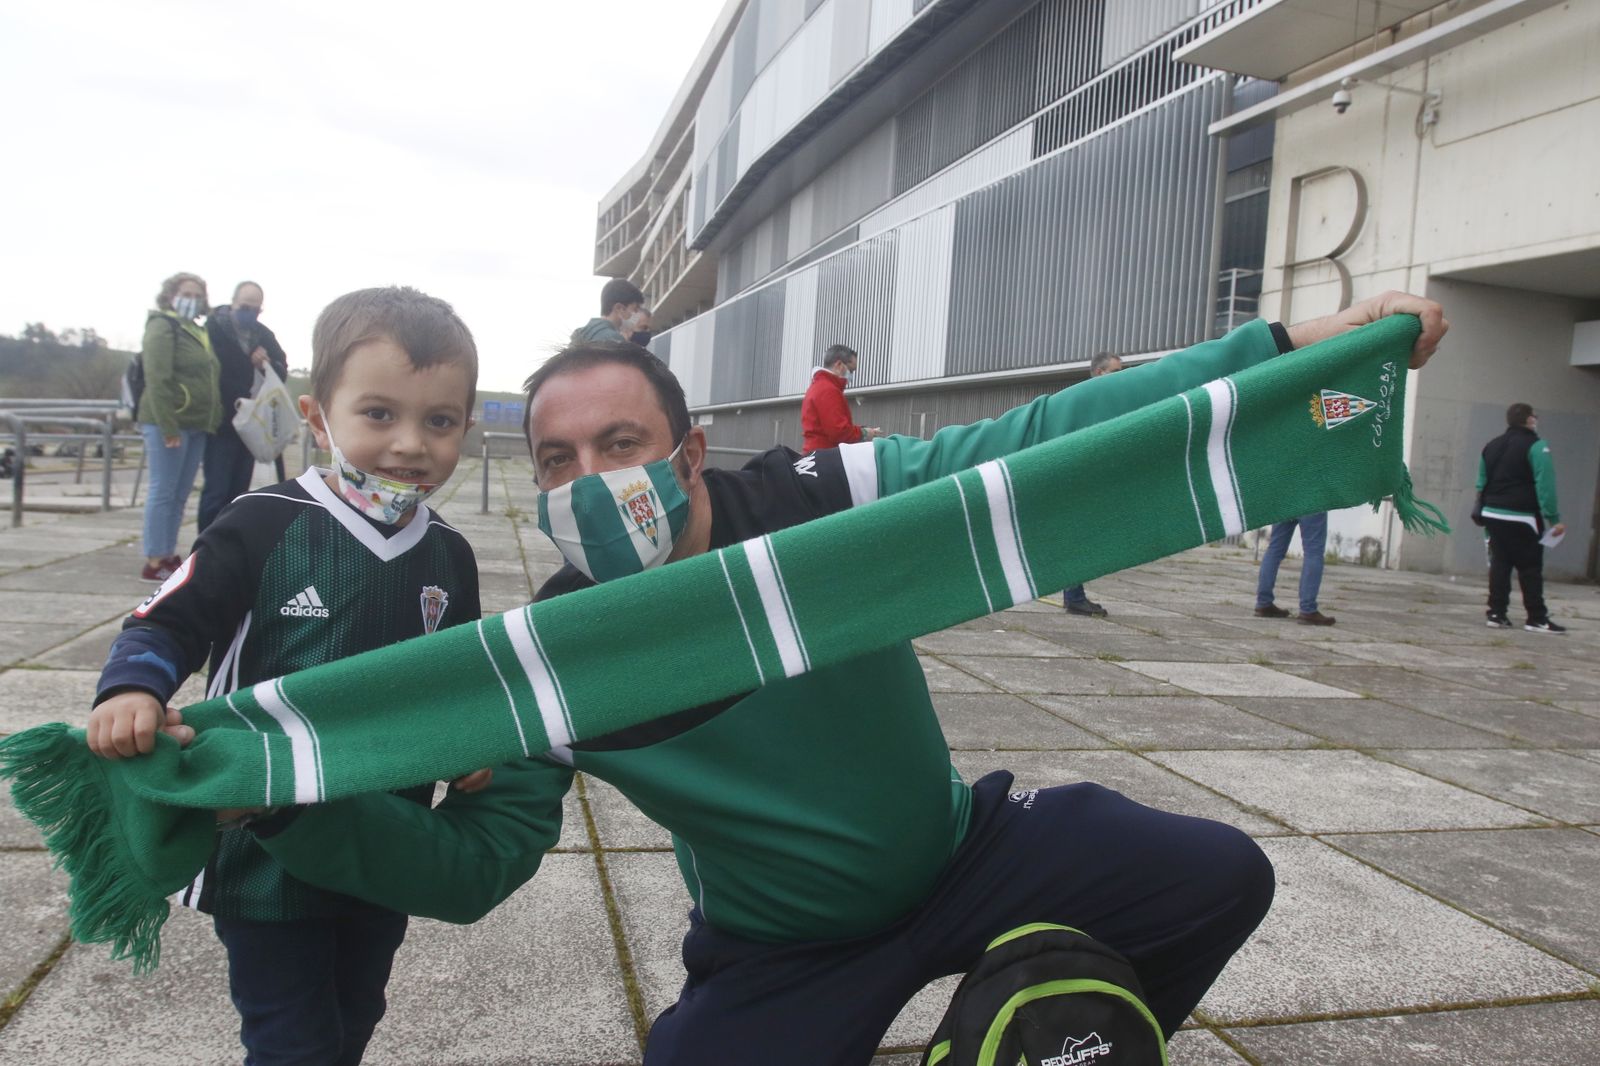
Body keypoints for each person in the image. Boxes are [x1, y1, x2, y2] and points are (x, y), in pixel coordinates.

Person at [232, 292, 1446, 1064]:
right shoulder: (564, 656)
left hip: (965, 860)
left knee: (1216, 875)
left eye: (621, 445)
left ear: (690, 450)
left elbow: (1040, 443)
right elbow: (472, 865)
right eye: (557, 460)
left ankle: (1033, 1050)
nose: (589, 480)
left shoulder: (815, 510)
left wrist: (1281, 351)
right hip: (783, 949)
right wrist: (291, 804)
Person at [86, 286, 491, 1066]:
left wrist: (472, 743)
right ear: (316, 416)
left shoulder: (451, 555)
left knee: (353, 1018)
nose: (410, 443)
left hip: (385, 847)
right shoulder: (260, 524)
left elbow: (460, 676)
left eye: (438, 421)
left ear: (466, 428)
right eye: (379, 414)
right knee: (291, 1040)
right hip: (263, 848)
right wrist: (133, 688)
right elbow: (164, 620)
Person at [137, 272, 222, 582]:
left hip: (196, 423)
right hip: (169, 422)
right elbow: (157, 379)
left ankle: (168, 553)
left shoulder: (195, 330)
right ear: (171, 295)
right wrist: (168, 425)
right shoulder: (162, 326)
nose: (193, 299)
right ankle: (154, 558)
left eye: (198, 294)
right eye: (186, 293)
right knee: (163, 490)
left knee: (179, 493)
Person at [199, 281, 290, 533]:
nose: (250, 313)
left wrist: (266, 363)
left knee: (239, 492)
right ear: (233, 303)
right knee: (215, 491)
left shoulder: (264, 335)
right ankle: (204, 547)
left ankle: (227, 543)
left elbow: (281, 372)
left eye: (256, 309)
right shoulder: (212, 330)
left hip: (252, 427)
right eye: (244, 307)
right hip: (221, 423)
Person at [1478, 402, 1566, 633]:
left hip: (1492, 513)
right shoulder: (1537, 446)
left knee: (1500, 563)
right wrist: (1553, 518)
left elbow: (1481, 480)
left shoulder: (1491, 445)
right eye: (1534, 416)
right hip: (1522, 516)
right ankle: (1537, 618)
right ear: (1529, 420)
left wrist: (1483, 508)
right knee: (1530, 566)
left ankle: (1496, 614)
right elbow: (1545, 485)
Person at [1062, 352, 1123, 616]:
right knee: (1077, 539)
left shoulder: (1096, 398)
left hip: (1086, 478)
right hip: (1080, 479)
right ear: (1101, 373)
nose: (1123, 376)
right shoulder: (1090, 399)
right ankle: (1074, 596)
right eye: (1117, 371)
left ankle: (1074, 594)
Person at [1252, 512, 1335, 625]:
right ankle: (1308, 609)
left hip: (1285, 498)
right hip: (1312, 499)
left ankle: (1263, 603)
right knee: (1313, 551)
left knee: (1275, 549)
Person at [801, 343, 882, 452]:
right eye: (851, 370)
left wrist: (861, 430)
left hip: (815, 456)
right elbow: (839, 432)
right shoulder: (829, 390)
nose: (851, 376)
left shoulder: (817, 387)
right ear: (839, 365)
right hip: (825, 459)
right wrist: (865, 433)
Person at [573, 277, 648, 345]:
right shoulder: (614, 339)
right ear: (619, 308)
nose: (637, 316)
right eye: (635, 309)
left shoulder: (581, 334)